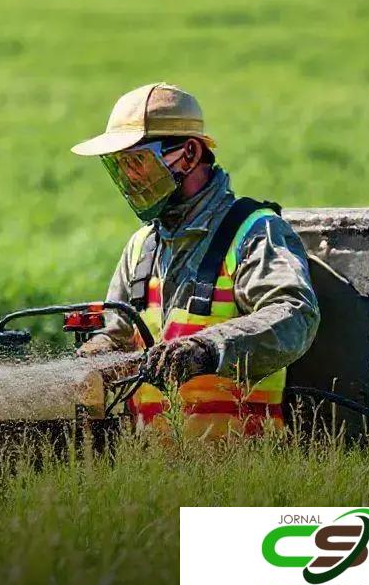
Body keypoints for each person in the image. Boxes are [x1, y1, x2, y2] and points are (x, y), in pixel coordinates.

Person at [71, 82, 319, 438]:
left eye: (139, 161)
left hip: (247, 472)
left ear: (189, 153)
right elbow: (120, 337)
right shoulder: (141, 246)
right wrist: (99, 355)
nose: (130, 177)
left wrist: (208, 349)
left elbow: (295, 314)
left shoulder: (255, 232)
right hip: (155, 477)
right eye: (121, 166)